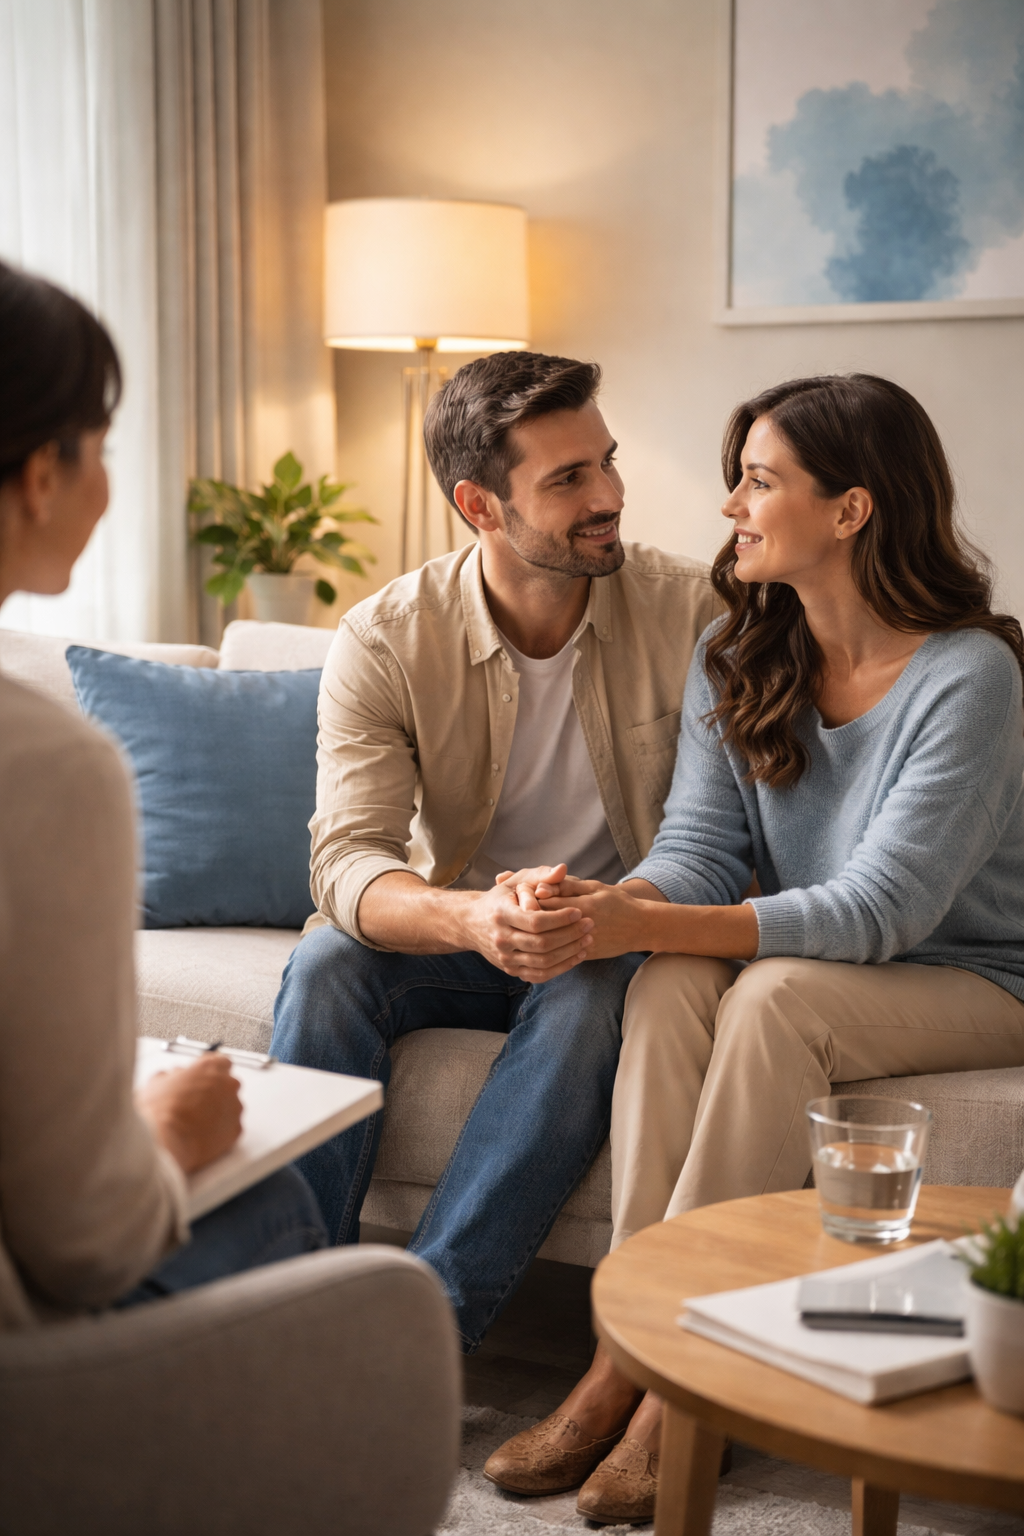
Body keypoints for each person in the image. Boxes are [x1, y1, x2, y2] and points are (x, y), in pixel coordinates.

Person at [485, 372, 1024, 1524]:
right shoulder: (739, 651)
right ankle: (624, 1349)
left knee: (773, 997)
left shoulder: (971, 676)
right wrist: (603, 905)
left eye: (759, 481)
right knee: (676, 973)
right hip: (828, 965)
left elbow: (883, 909)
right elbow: (691, 853)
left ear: (851, 511)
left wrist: (646, 918)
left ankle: (675, 1392)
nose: (730, 503)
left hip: (977, 975)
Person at [270, 350, 719, 1352]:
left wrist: (600, 917)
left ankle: (411, 1343)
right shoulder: (385, 638)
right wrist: (474, 919)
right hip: (461, 929)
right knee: (327, 963)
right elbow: (346, 861)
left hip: (618, 928)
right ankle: (279, 1319)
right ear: (479, 505)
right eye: (568, 479)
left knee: (589, 989)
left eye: (605, 461)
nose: (607, 496)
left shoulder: (697, 614)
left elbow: (721, 837)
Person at [0, 261, 327, 1331]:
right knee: (279, 1208)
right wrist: (169, 1132)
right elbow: (86, 1238)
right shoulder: (46, 765)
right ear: (42, 474)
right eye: (101, 445)